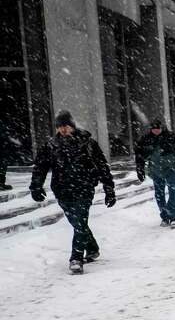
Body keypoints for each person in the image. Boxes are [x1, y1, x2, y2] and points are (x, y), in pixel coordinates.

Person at [29, 111, 116, 274]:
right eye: (59, 127)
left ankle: (76, 258)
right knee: (77, 223)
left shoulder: (87, 143)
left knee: (80, 221)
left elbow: (102, 166)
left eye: (66, 126)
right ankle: (92, 248)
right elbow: (40, 167)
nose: (63, 130)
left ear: (72, 126)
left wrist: (109, 189)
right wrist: (36, 186)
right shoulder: (51, 145)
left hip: (84, 188)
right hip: (62, 190)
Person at [135, 119, 175, 228]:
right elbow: (139, 155)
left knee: (172, 190)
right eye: (154, 129)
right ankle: (164, 216)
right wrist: (140, 169)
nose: (156, 131)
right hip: (155, 169)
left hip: (171, 168)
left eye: (158, 129)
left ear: (162, 128)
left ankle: (173, 216)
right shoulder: (146, 139)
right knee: (159, 193)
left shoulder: (171, 137)